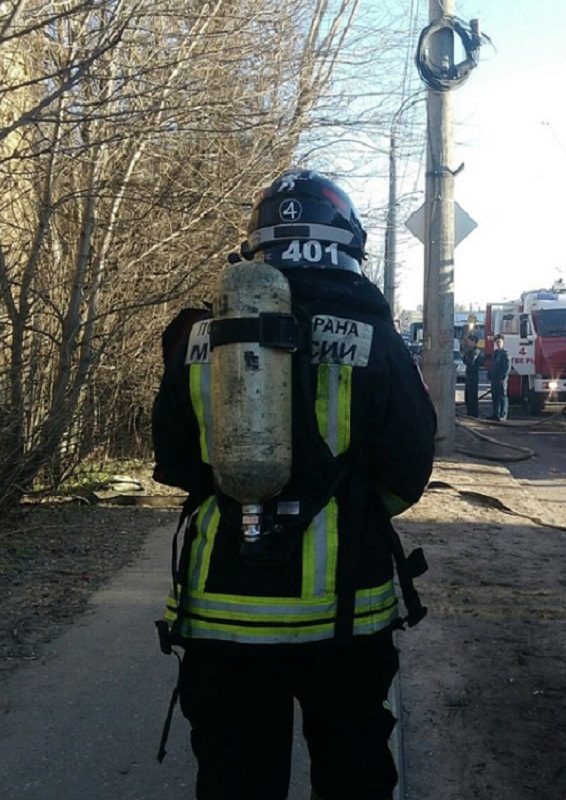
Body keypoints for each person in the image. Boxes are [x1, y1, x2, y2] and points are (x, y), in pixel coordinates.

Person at [151, 169, 436, 800]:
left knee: (235, 778)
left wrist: (242, 497)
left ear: (255, 247)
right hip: (345, 619)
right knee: (352, 769)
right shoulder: (376, 339)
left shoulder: (198, 337)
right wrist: (348, 510)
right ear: (347, 244)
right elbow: (409, 472)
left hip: (221, 614)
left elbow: (173, 462)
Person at [487, 333, 511, 420]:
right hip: (494, 379)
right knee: (495, 396)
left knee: (502, 396)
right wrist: (489, 374)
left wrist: (503, 378)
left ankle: (503, 415)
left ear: (503, 342)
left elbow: (507, 367)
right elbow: (492, 365)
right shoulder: (496, 353)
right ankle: (495, 414)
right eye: (496, 342)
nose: (497, 343)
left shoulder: (505, 353)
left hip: (501, 379)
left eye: (499, 341)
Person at [462, 333, 483, 418]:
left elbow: (470, 362)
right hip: (469, 375)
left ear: (474, 342)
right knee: (467, 395)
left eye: (470, 341)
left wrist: (466, 357)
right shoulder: (469, 351)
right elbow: (464, 360)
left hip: (473, 376)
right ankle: (469, 412)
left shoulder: (476, 351)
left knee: (472, 395)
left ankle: (474, 413)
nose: (468, 343)